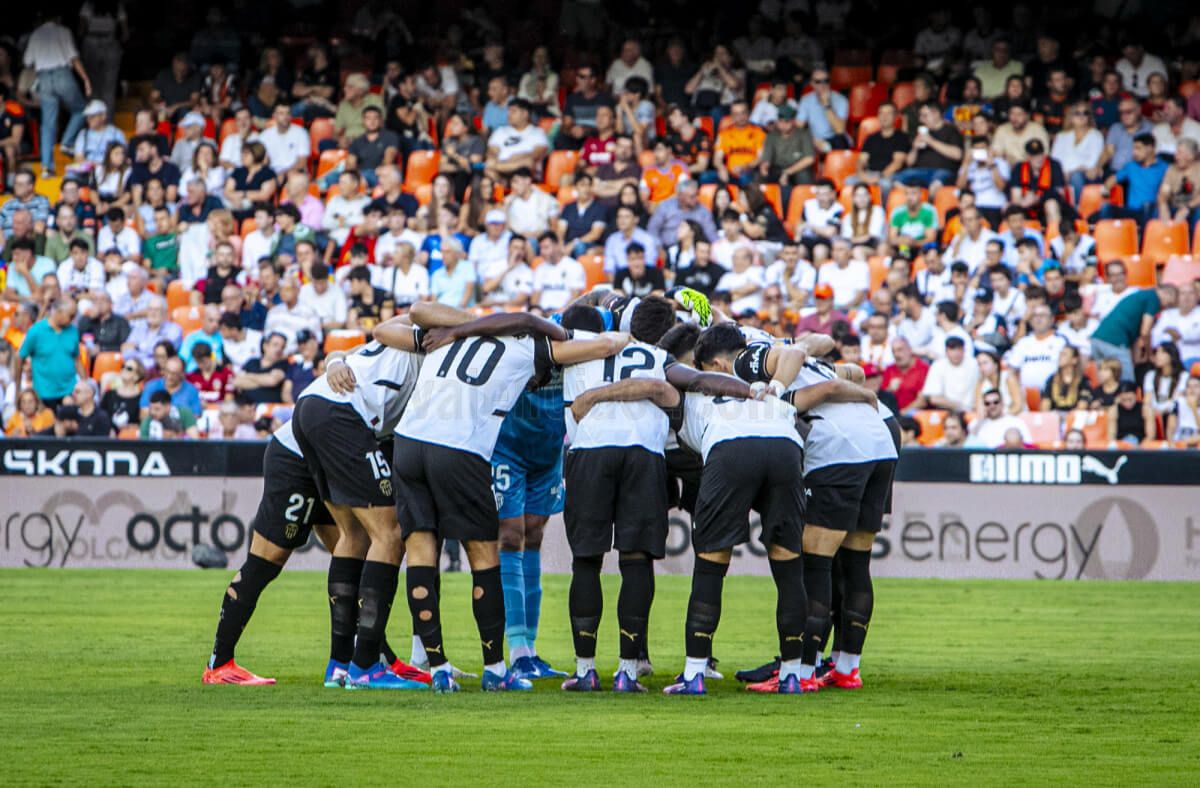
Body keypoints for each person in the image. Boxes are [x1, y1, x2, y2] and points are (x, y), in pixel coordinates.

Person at [385, 307, 627, 692]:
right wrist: (556, 329)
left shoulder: (446, 335)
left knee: (420, 553)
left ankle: (437, 667)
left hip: (408, 443)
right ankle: (496, 669)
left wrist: (462, 326)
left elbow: (414, 311)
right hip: (460, 447)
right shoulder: (531, 347)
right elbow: (609, 344)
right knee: (484, 557)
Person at [696, 326, 895, 691]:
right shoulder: (807, 361)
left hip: (839, 450)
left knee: (814, 563)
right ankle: (847, 668)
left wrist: (777, 391)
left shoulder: (745, 362)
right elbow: (852, 373)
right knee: (856, 563)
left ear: (717, 364)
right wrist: (861, 393)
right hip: (880, 442)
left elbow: (806, 368)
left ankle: (801, 672)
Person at [23, 12, 92, 176]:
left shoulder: (36, 34)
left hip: (44, 78)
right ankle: (67, 141)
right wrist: (85, 79)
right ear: (58, 18)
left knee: (48, 123)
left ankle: (47, 167)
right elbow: (73, 57)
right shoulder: (63, 31)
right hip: (62, 74)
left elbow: (27, 61)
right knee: (81, 109)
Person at [1091, 283, 1178, 382]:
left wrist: (1136, 358)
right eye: (1169, 304)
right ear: (1168, 294)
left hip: (1097, 339)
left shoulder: (1141, 296)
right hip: (1114, 341)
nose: (1164, 308)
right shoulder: (1153, 297)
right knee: (1127, 381)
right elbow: (1145, 331)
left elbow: (1136, 335)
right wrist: (1149, 355)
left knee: (1106, 380)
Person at [17, 298, 82, 410]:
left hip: (69, 390)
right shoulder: (36, 331)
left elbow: (77, 359)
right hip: (44, 393)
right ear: (59, 312)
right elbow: (20, 357)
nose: (72, 320)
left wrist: (85, 382)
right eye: (71, 316)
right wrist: (17, 386)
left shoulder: (73, 331)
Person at [896, 101, 963, 189]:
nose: (921, 120)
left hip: (943, 171)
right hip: (919, 171)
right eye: (920, 116)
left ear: (936, 114)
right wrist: (914, 148)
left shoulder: (951, 131)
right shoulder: (922, 132)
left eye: (924, 116)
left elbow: (958, 155)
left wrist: (930, 141)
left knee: (935, 184)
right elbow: (909, 163)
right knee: (894, 180)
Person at [486, 98, 549, 181]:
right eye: (508, 111)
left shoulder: (538, 132)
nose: (509, 114)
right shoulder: (500, 131)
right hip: (502, 170)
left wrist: (506, 162)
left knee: (528, 163)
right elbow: (492, 152)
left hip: (523, 170)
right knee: (489, 163)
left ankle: (507, 182)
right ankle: (504, 184)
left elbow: (537, 154)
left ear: (525, 114)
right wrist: (509, 161)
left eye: (513, 111)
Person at [1008, 305, 1067, 391]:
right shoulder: (1023, 343)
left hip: (1054, 393)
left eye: (1042, 315)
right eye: (1035, 315)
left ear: (1051, 319)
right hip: (1026, 394)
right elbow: (1012, 370)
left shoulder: (1061, 342)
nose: (1038, 319)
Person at [795, 68, 849, 151]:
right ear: (812, 83)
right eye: (818, 82)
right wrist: (813, 140)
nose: (823, 84)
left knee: (839, 141)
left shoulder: (841, 100)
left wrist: (827, 105)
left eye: (826, 81)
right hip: (815, 139)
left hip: (836, 139)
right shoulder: (806, 100)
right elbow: (799, 126)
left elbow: (839, 130)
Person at [530, 233, 585, 312]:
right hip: (542, 313)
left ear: (556, 246)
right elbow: (535, 298)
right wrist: (537, 310)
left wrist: (558, 312)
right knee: (534, 312)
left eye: (546, 247)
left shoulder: (574, 266)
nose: (542, 252)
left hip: (564, 312)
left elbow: (575, 297)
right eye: (541, 248)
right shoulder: (540, 269)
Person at [966, 388, 1032, 447]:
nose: (992, 406)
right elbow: (967, 445)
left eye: (996, 402)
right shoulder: (975, 423)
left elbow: (1028, 445)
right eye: (987, 403)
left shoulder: (1016, 422)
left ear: (1002, 403)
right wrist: (980, 420)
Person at [1157, 139, 1200, 225]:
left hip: (1193, 207)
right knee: (1157, 211)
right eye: (1176, 153)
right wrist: (1163, 206)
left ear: (1191, 156)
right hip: (1174, 207)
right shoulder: (1172, 169)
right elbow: (1164, 191)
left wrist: (1187, 208)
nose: (1176, 157)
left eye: (1180, 153)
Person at [1040, 345, 1093, 412]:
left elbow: (1082, 406)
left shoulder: (1083, 381)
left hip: (1074, 416)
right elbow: (1045, 403)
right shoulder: (1052, 379)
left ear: (1074, 360)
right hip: (1054, 415)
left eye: (1064, 354)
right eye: (1060, 354)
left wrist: (1068, 417)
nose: (1060, 357)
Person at [1165, 375, 1200, 446]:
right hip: (1178, 441)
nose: (1192, 389)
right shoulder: (1178, 403)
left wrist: (1194, 408)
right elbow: (1170, 428)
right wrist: (1171, 443)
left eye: (1196, 386)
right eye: (1189, 386)